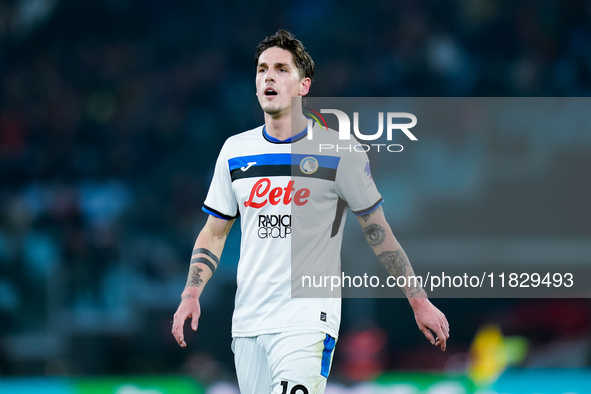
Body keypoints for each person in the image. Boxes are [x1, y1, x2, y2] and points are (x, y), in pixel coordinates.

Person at [172, 29, 449, 394]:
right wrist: (190, 294)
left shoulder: (340, 151)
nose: (268, 76)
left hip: (308, 319)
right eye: (262, 69)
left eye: (281, 69)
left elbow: (377, 231)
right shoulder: (235, 151)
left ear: (304, 85)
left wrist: (419, 300)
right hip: (249, 322)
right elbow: (214, 231)